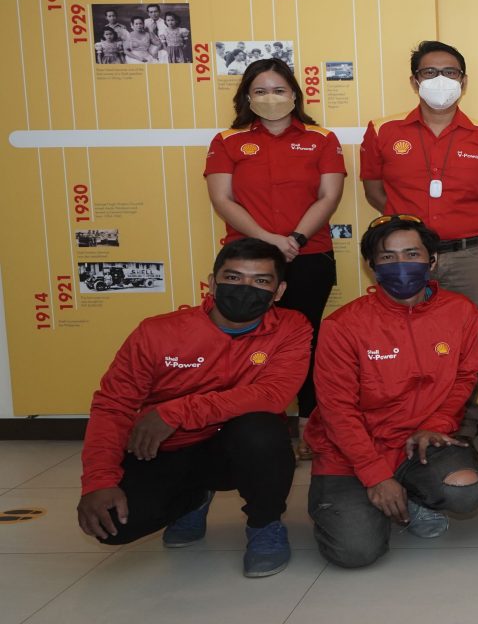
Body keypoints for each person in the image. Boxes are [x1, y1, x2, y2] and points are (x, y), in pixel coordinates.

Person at [76, 238, 310, 577]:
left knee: (262, 428)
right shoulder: (157, 333)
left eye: (261, 281)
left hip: (235, 446)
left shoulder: (292, 328)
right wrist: (98, 481)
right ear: (212, 283)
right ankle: (193, 499)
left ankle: (264, 526)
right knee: (114, 525)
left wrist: (176, 411)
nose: (246, 288)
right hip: (167, 449)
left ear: (279, 290)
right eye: (233, 277)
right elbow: (113, 406)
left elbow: (273, 394)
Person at [360, 40, 478, 440]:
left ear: (464, 81)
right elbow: (375, 191)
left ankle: (460, 430)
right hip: (405, 259)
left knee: (464, 346)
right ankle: (401, 426)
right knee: (402, 340)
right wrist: (409, 229)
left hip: (467, 257)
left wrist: (466, 222)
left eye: (450, 72)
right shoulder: (383, 131)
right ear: (415, 81)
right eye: (430, 72)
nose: (440, 80)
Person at [305, 215, 478, 568]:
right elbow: (336, 409)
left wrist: (437, 422)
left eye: (412, 254)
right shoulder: (342, 326)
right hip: (351, 451)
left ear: (431, 261)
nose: (401, 265)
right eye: (388, 257)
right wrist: (374, 475)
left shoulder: (461, 312)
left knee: (465, 490)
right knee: (355, 551)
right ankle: (365, 505)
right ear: (371, 266)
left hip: (419, 442)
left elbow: (466, 376)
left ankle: (413, 497)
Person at [204, 58, 346, 459]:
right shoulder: (227, 141)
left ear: (295, 94)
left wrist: (295, 239)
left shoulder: (321, 138)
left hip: (309, 254)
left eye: (279, 90)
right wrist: (270, 241)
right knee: (243, 341)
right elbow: (222, 199)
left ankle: (309, 427)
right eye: (261, 91)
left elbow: (329, 196)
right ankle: (249, 425)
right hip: (247, 259)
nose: (271, 98)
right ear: (247, 97)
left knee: (307, 342)